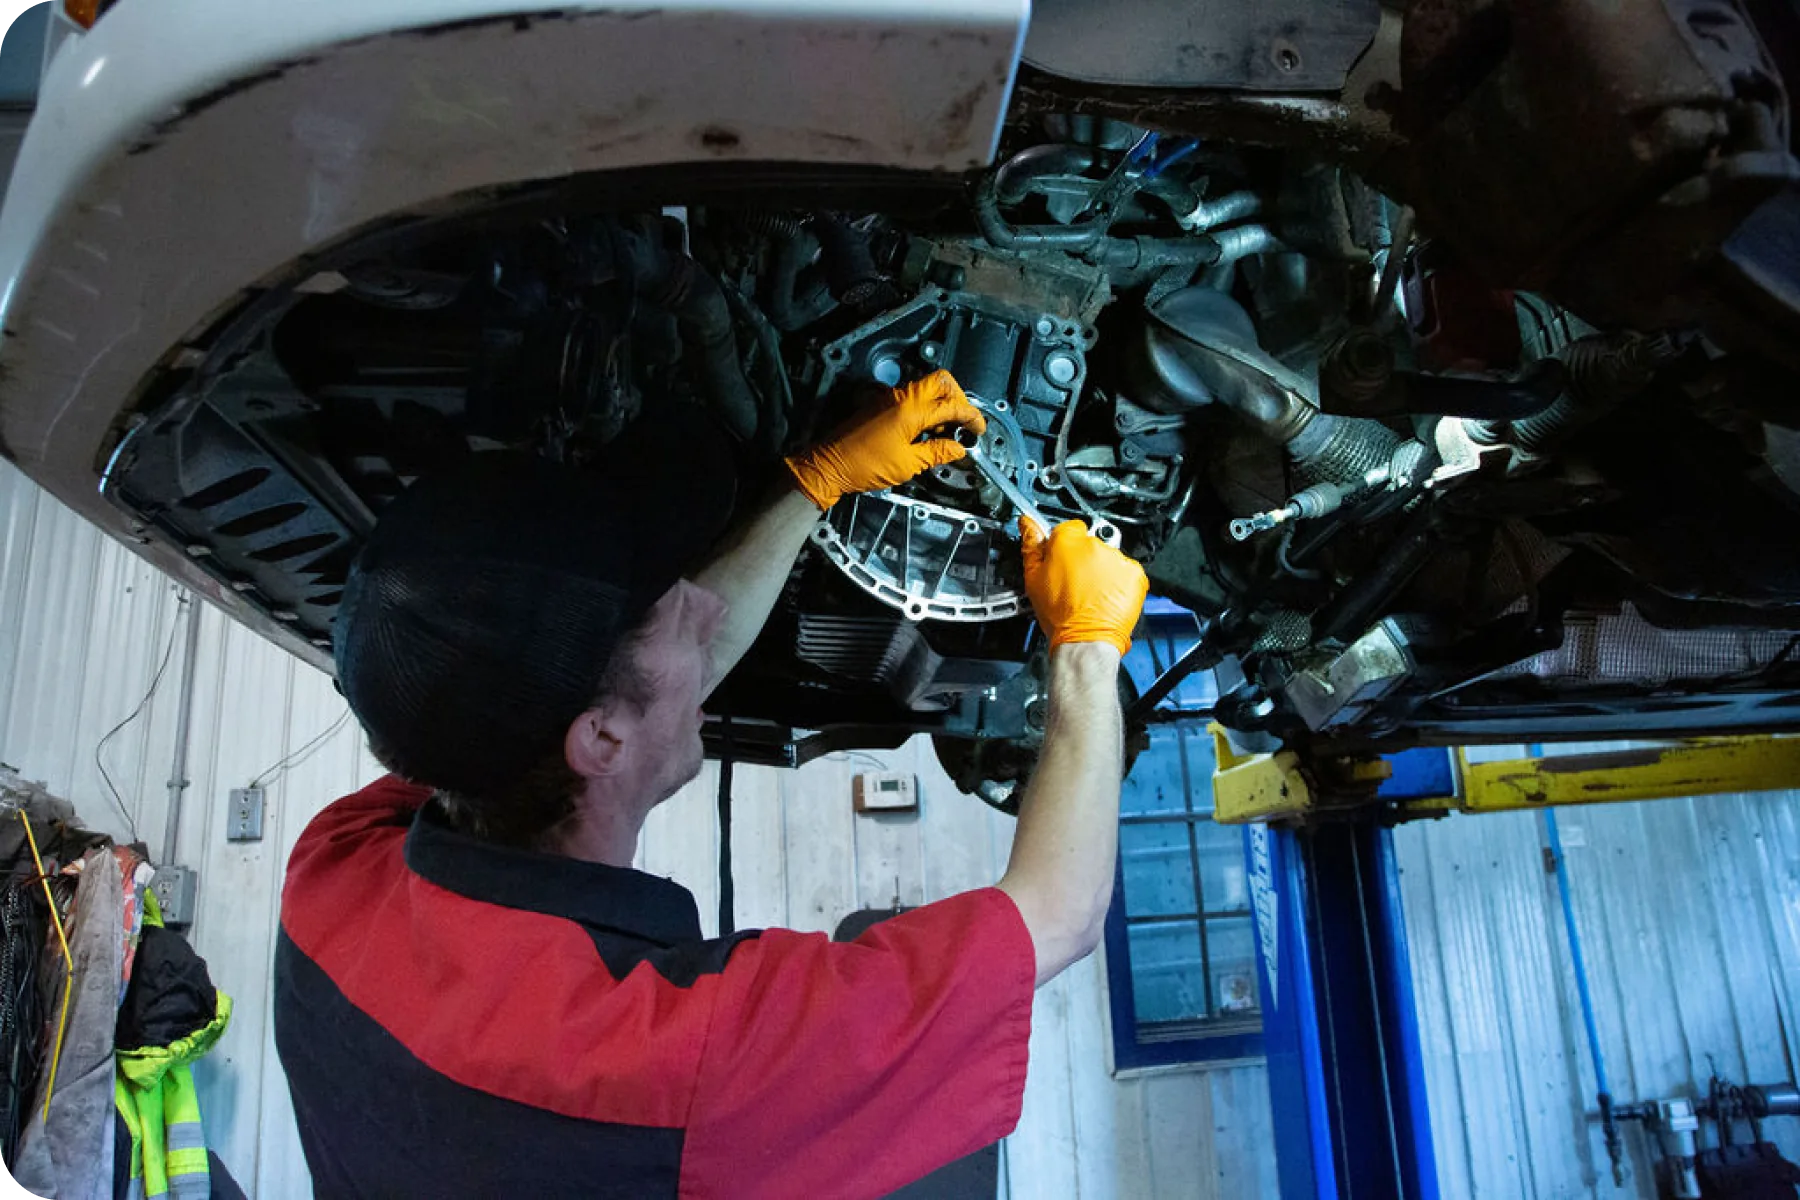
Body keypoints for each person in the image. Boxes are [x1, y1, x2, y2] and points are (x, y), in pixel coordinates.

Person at [273, 370, 1148, 1199]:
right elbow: (1057, 913)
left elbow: (645, 700)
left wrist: (819, 483)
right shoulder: (671, 1069)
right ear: (598, 741)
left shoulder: (335, 875)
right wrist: (1087, 654)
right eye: (665, 606)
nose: (704, 605)